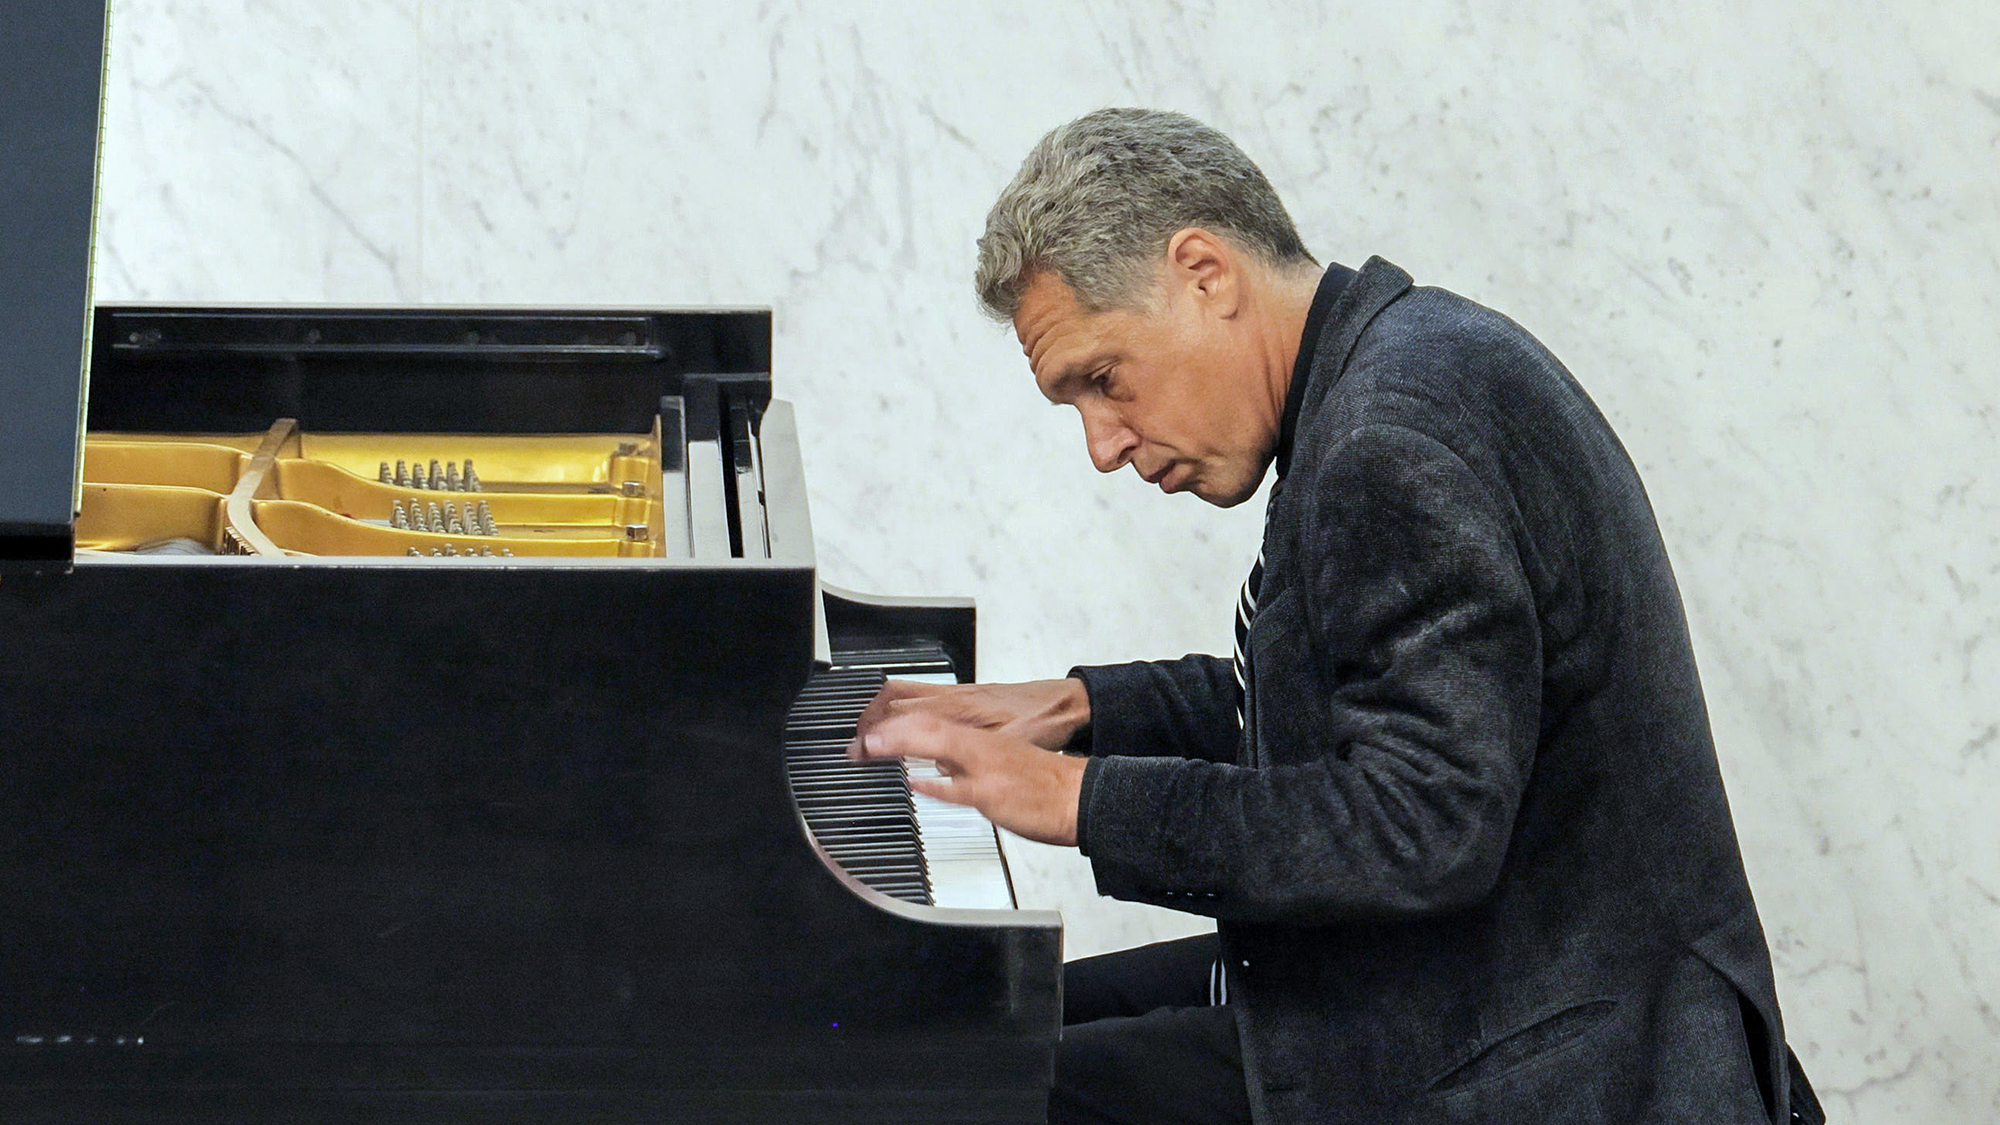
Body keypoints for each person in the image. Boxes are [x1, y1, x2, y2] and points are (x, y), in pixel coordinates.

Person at [849, 108, 1822, 1125]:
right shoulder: (1401, 361)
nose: (1102, 444)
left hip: (1554, 1060)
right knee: (980, 1034)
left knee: (965, 1087)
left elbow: (1422, 823)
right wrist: (1077, 708)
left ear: (1204, 274)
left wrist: (1075, 798)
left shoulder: (1386, 436)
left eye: (1101, 379)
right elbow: (1331, 695)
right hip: (1488, 992)